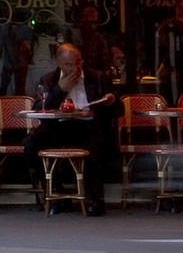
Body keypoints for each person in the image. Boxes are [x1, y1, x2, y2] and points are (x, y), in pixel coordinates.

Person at [25, 42, 117, 215]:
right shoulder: (48, 80)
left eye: (78, 62)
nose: (75, 68)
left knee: (95, 144)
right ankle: (55, 194)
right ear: (59, 63)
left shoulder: (96, 78)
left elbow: (116, 108)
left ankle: (94, 199)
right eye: (69, 64)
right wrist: (60, 90)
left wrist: (110, 100)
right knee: (31, 144)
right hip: (57, 128)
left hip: (87, 126)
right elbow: (39, 108)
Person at [67, 4, 114, 86]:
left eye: (95, 22)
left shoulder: (99, 37)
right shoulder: (75, 35)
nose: (92, 25)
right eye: (89, 21)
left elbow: (105, 59)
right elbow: (73, 61)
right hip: (78, 79)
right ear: (83, 20)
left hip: (96, 81)